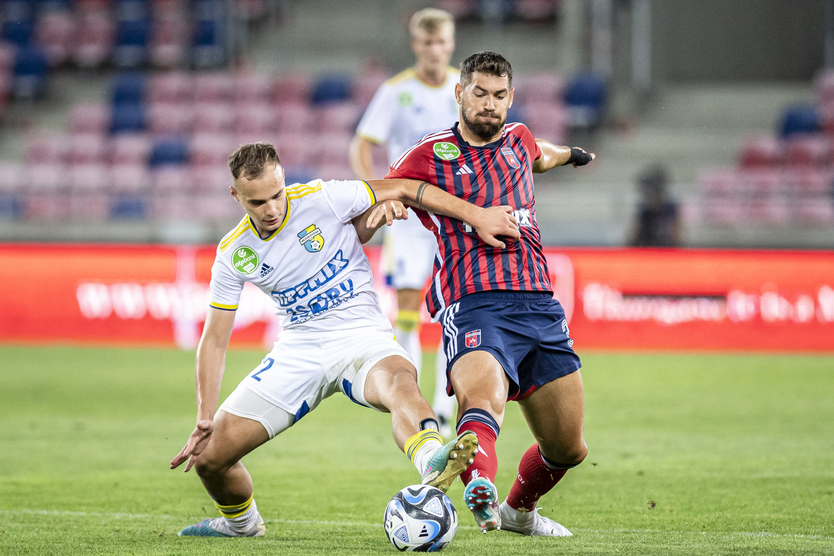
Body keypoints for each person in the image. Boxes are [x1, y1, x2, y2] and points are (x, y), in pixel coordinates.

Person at [170, 142, 521, 537]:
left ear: (284, 178)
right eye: (257, 202)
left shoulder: (323, 197)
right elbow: (214, 341)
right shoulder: (234, 252)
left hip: (362, 336)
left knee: (399, 383)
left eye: (276, 194)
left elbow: (405, 187)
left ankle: (431, 461)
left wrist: (476, 215)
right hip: (299, 349)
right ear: (235, 195)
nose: (271, 209)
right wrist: (204, 415)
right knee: (210, 460)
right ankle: (242, 524)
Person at [385, 52, 595, 537]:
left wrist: (572, 154)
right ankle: (480, 485)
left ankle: (519, 512)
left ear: (511, 97)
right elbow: (389, 187)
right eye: (479, 93)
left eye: (499, 95)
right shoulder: (431, 153)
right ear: (460, 93)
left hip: (539, 302)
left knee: (569, 448)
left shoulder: (519, 138)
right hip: (474, 302)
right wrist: (467, 213)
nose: (489, 104)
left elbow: (542, 155)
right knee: (483, 401)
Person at [350, 7, 460, 437]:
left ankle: (445, 410)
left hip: (453, 215)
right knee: (410, 309)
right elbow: (361, 145)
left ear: (451, 44)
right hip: (411, 218)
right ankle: (418, 411)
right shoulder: (396, 92)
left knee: (455, 309)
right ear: (416, 44)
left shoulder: (463, 88)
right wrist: (375, 192)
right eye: (427, 42)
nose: (434, 50)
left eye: (441, 42)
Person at [628, 164, 682, 247]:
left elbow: (676, 233)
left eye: (653, 191)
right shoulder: (644, 210)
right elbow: (633, 234)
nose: (649, 195)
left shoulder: (669, 207)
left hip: (666, 247)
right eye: (647, 192)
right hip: (645, 247)